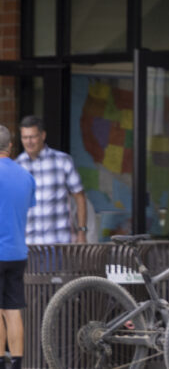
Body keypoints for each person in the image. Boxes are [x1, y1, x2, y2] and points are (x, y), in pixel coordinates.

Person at [16, 116, 87, 244]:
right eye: (25, 137)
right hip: (28, 245)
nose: (29, 142)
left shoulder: (62, 161)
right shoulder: (17, 166)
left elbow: (80, 196)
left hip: (59, 244)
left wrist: (81, 231)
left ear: (43, 135)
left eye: (33, 137)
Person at [0, 125, 36, 369]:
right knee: (12, 310)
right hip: (17, 253)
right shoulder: (26, 176)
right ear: (10, 146)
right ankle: (16, 365)